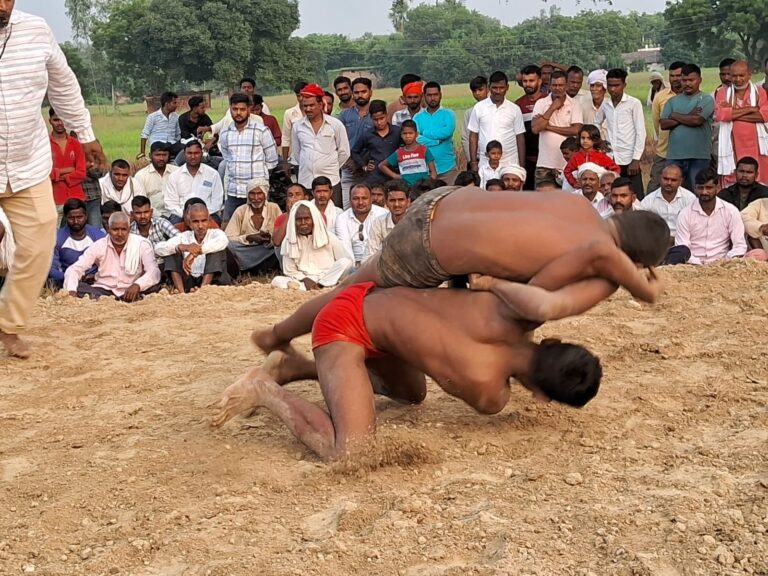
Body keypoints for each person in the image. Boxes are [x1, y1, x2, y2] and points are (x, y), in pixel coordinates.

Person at [212, 277, 605, 461]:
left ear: (551, 341)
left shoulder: (514, 308)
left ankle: (293, 366)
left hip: (374, 299)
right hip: (344, 325)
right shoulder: (491, 396)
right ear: (540, 394)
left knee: (412, 395)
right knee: (350, 452)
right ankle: (266, 390)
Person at [254, 186, 669, 357]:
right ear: (634, 258)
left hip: (443, 199)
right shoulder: (601, 253)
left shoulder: (577, 204)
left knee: (362, 281)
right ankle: (278, 334)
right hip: (432, 245)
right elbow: (638, 289)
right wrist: (645, 282)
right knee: (357, 289)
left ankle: (282, 334)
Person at [0, 2, 108, 357]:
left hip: (27, 162)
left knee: (41, 237)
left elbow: (63, 85)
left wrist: (86, 133)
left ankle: (7, 325)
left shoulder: (35, 29)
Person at [64, 211, 161, 301]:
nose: (119, 234)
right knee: (79, 287)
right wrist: (71, 291)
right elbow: (75, 269)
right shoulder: (99, 245)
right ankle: (109, 300)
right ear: (109, 230)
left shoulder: (141, 244)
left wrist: (138, 285)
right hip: (103, 290)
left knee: (154, 286)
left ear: (129, 229)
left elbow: (153, 271)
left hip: (131, 290)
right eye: (115, 229)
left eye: (123, 229)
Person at [219, 93, 278, 223]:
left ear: (249, 110)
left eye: (242, 109)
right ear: (230, 109)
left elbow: (272, 160)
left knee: (261, 226)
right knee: (228, 226)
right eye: (235, 109)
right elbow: (227, 158)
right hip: (234, 190)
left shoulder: (261, 131)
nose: (238, 113)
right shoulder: (225, 134)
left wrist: (260, 178)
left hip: (257, 192)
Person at [270, 201, 352, 291]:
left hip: (328, 276)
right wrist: (305, 279)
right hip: (303, 279)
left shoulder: (329, 237)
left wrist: (327, 277)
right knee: (277, 280)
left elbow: (342, 259)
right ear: (294, 221)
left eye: (307, 219)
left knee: (346, 262)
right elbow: (290, 270)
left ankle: (321, 285)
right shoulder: (289, 240)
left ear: (314, 219)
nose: (303, 223)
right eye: (299, 219)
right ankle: (315, 287)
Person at [292, 83, 350, 206]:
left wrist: (329, 165)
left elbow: (344, 152)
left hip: (331, 181)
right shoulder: (297, 126)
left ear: (320, 104)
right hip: (306, 182)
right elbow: (297, 154)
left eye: (311, 105)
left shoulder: (335, 124)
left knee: (333, 217)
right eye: (305, 106)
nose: (308, 109)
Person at [659, 64, 715, 192]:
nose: (687, 83)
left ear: (699, 80)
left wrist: (674, 115)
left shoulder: (706, 99)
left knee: (698, 190)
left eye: (691, 80)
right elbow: (663, 124)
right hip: (675, 155)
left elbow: (697, 120)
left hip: (699, 156)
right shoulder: (672, 101)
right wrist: (689, 115)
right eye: (684, 80)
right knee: (671, 190)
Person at [674, 169, 747, 265]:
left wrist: (724, 262)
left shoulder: (731, 211)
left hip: (723, 265)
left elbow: (740, 245)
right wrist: (697, 264)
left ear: (717, 188)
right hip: (691, 265)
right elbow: (682, 247)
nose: (704, 192)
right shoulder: (685, 214)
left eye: (709, 188)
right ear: (695, 189)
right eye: (700, 188)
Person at [714, 60, 768, 187]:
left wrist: (733, 113)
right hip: (732, 145)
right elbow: (722, 115)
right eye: (734, 75)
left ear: (749, 75)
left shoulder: (759, 92)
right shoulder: (723, 92)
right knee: (734, 180)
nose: (737, 79)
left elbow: (764, 116)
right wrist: (750, 109)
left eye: (741, 75)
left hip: (756, 145)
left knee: (759, 180)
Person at [154, 202, 229, 293]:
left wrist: (196, 252)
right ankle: (181, 293)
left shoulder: (216, 233)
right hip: (189, 280)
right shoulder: (184, 236)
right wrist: (182, 247)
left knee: (216, 251)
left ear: (209, 221)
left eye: (204, 221)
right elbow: (158, 249)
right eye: (196, 221)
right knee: (171, 251)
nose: (200, 226)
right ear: (189, 223)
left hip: (213, 281)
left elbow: (223, 241)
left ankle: (203, 291)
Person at [594, 68, 646, 199]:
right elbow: (596, 123)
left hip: (629, 158)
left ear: (624, 85)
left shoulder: (633, 103)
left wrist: (636, 159)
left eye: (616, 85)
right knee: (612, 195)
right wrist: (599, 141)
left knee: (635, 196)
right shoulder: (605, 104)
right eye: (610, 85)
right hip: (612, 158)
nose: (613, 89)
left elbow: (641, 132)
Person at [532, 70, 583, 187]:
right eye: (554, 85)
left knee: (566, 201)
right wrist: (552, 108)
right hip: (544, 163)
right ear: (549, 86)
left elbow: (576, 130)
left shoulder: (574, 104)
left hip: (567, 164)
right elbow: (535, 129)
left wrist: (548, 126)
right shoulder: (541, 103)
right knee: (543, 202)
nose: (557, 88)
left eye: (560, 85)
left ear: (566, 85)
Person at [468, 71, 526, 173]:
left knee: (510, 189)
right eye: (495, 88)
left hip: (510, 162)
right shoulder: (479, 108)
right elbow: (473, 136)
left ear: (507, 87)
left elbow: (520, 138)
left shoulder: (514, 109)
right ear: (489, 87)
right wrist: (473, 162)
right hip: (485, 164)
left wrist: (521, 167)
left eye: (501, 88)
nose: (498, 91)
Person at [225, 179, 281, 274]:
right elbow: (228, 238)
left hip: (267, 249)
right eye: (252, 194)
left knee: (281, 246)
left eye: (259, 193)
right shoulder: (241, 211)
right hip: (247, 250)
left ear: (265, 194)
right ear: (247, 195)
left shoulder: (274, 208)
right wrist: (249, 237)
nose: (255, 198)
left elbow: (281, 232)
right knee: (230, 246)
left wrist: (269, 238)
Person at [164, 140, 225, 224]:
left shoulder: (213, 174)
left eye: (196, 153)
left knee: (215, 223)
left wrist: (202, 215)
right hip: (181, 215)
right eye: (189, 153)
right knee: (174, 226)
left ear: (202, 153)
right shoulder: (175, 176)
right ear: (184, 155)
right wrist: (185, 215)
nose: (193, 156)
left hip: (208, 214)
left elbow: (217, 201)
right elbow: (170, 202)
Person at [48, 198, 105, 288]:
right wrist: (71, 278)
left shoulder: (99, 236)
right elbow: (51, 268)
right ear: (66, 217)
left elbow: (106, 264)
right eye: (71, 218)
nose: (76, 221)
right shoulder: (56, 238)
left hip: (94, 281)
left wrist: (95, 277)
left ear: (86, 216)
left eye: (79, 217)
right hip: (64, 280)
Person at [648, 62, 685, 194]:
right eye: (672, 75)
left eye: (678, 75)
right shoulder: (660, 97)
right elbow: (657, 124)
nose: (675, 79)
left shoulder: (694, 96)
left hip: (688, 152)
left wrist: (673, 119)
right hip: (664, 151)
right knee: (654, 187)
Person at [338, 78, 375, 209]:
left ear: (370, 92)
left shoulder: (376, 115)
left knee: (371, 207)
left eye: (364, 91)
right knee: (347, 208)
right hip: (349, 168)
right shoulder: (344, 115)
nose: (360, 95)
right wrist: (349, 161)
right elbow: (338, 142)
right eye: (357, 92)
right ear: (352, 93)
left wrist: (364, 164)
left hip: (371, 168)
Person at [350, 99, 401, 189]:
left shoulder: (397, 132)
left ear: (387, 115)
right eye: (375, 120)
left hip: (394, 174)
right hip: (375, 176)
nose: (379, 122)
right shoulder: (367, 134)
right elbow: (354, 151)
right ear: (371, 118)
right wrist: (364, 166)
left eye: (382, 118)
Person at [334, 183, 387, 267]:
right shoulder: (342, 218)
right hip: (352, 265)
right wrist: (355, 268)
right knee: (343, 263)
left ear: (371, 199)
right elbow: (345, 248)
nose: (360, 202)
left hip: (377, 263)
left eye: (364, 198)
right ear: (350, 199)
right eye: (355, 199)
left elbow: (383, 247)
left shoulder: (383, 214)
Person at [414, 81, 457, 184]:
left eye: (435, 95)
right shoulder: (417, 117)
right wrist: (437, 141)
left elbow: (447, 132)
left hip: (448, 168)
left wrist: (425, 133)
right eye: (429, 95)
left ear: (440, 95)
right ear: (424, 96)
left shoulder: (449, 114)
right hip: (426, 170)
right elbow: (417, 138)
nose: (432, 98)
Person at [639, 164, 696, 242]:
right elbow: (640, 224)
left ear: (681, 181)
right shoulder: (649, 200)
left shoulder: (690, 199)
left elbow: (696, 226)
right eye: (665, 179)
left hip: (682, 242)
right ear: (660, 178)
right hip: (657, 243)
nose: (669, 183)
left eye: (673, 180)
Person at [49, 108, 86, 222]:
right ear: (50, 120)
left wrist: (58, 174)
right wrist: (69, 170)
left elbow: (82, 172)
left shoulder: (75, 143)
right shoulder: (45, 143)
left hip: (76, 198)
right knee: (54, 236)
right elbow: (44, 173)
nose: (60, 123)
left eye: (62, 120)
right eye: (56, 120)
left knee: (77, 234)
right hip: (54, 198)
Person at [516, 65, 547, 190]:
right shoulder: (517, 105)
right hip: (527, 160)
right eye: (525, 81)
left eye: (531, 81)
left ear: (539, 81)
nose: (528, 84)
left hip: (546, 160)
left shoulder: (548, 101)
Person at [378, 120, 438, 185]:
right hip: (406, 188)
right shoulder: (399, 152)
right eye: (405, 133)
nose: (407, 136)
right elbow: (382, 165)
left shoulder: (424, 149)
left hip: (422, 188)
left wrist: (429, 185)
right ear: (401, 135)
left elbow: (433, 172)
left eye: (410, 133)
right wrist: (395, 176)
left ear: (416, 134)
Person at [364, 180, 410, 260]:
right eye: (392, 200)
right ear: (386, 202)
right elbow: (369, 255)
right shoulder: (379, 222)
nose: (396, 204)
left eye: (401, 200)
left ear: (408, 202)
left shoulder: (416, 222)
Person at [128, 195, 179, 262]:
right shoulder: (129, 231)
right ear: (132, 214)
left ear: (151, 212)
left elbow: (180, 238)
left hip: (164, 264)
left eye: (146, 212)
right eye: (138, 213)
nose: (142, 216)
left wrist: (165, 248)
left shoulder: (161, 223)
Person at [134, 141, 178, 217]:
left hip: (176, 214)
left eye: (164, 155)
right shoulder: (141, 175)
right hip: (152, 217)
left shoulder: (176, 172)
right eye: (157, 155)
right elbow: (141, 202)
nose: (161, 158)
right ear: (150, 156)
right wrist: (159, 216)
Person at [139, 91, 181, 160]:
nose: (176, 105)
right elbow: (144, 135)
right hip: (157, 144)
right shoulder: (153, 117)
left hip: (171, 144)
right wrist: (142, 153)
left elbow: (178, 135)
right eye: (174, 103)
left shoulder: (176, 117)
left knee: (185, 149)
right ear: (167, 104)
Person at [273, 182, 310, 252]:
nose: (294, 198)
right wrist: (290, 214)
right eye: (290, 195)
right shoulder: (282, 218)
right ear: (287, 200)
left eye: (298, 194)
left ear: (306, 198)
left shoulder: (315, 214)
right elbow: (277, 242)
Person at [461, 76, 489, 166]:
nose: (478, 93)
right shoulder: (469, 112)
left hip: (495, 157)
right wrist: (471, 160)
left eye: (480, 90)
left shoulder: (496, 109)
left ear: (487, 89)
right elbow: (465, 137)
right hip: (476, 158)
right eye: (474, 91)